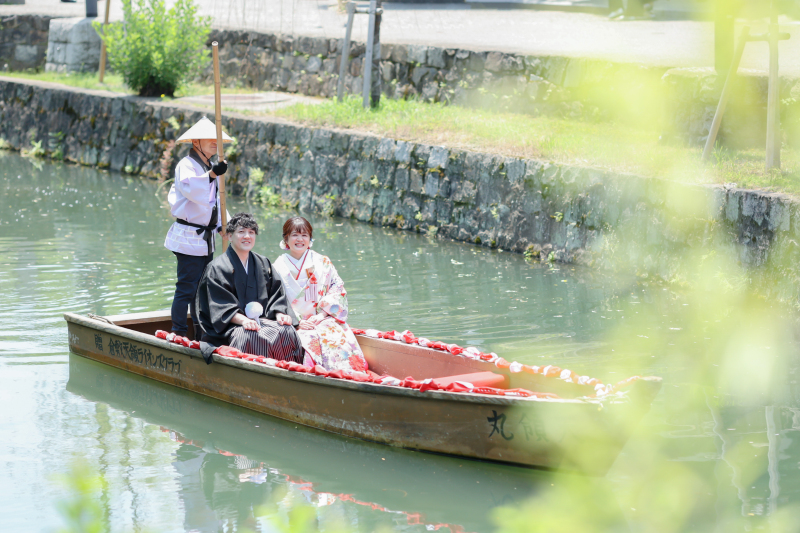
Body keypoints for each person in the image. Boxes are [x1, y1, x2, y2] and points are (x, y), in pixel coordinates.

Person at [194, 212, 303, 365]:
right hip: (229, 328)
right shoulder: (217, 267)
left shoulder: (263, 263)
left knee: (287, 330)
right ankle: (260, 376)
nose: (247, 236)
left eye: (251, 232)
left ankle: (290, 372)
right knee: (252, 336)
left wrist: (279, 313)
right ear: (230, 236)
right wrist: (243, 320)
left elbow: (276, 293)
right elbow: (219, 306)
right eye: (241, 232)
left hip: (262, 320)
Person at [164, 116, 232, 338]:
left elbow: (217, 202)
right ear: (196, 142)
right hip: (188, 236)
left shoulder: (210, 166)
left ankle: (201, 332)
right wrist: (212, 175)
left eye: (217, 139)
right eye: (210, 139)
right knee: (186, 288)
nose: (215, 142)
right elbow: (192, 191)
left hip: (206, 237)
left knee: (202, 290)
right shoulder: (186, 164)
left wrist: (225, 224)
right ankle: (179, 331)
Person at [273, 217, 368, 372]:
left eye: (304, 235)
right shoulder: (277, 267)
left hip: (323, 317)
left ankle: (347, 373)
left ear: (310, 239)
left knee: (335, 336)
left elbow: (337, 287)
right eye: (295, 235)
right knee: (308, 339)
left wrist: (322, 315)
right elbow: (275, 299)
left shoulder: (322, 261)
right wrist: (297, 321)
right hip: (294, 322)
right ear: (286, 239)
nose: (300, 239)